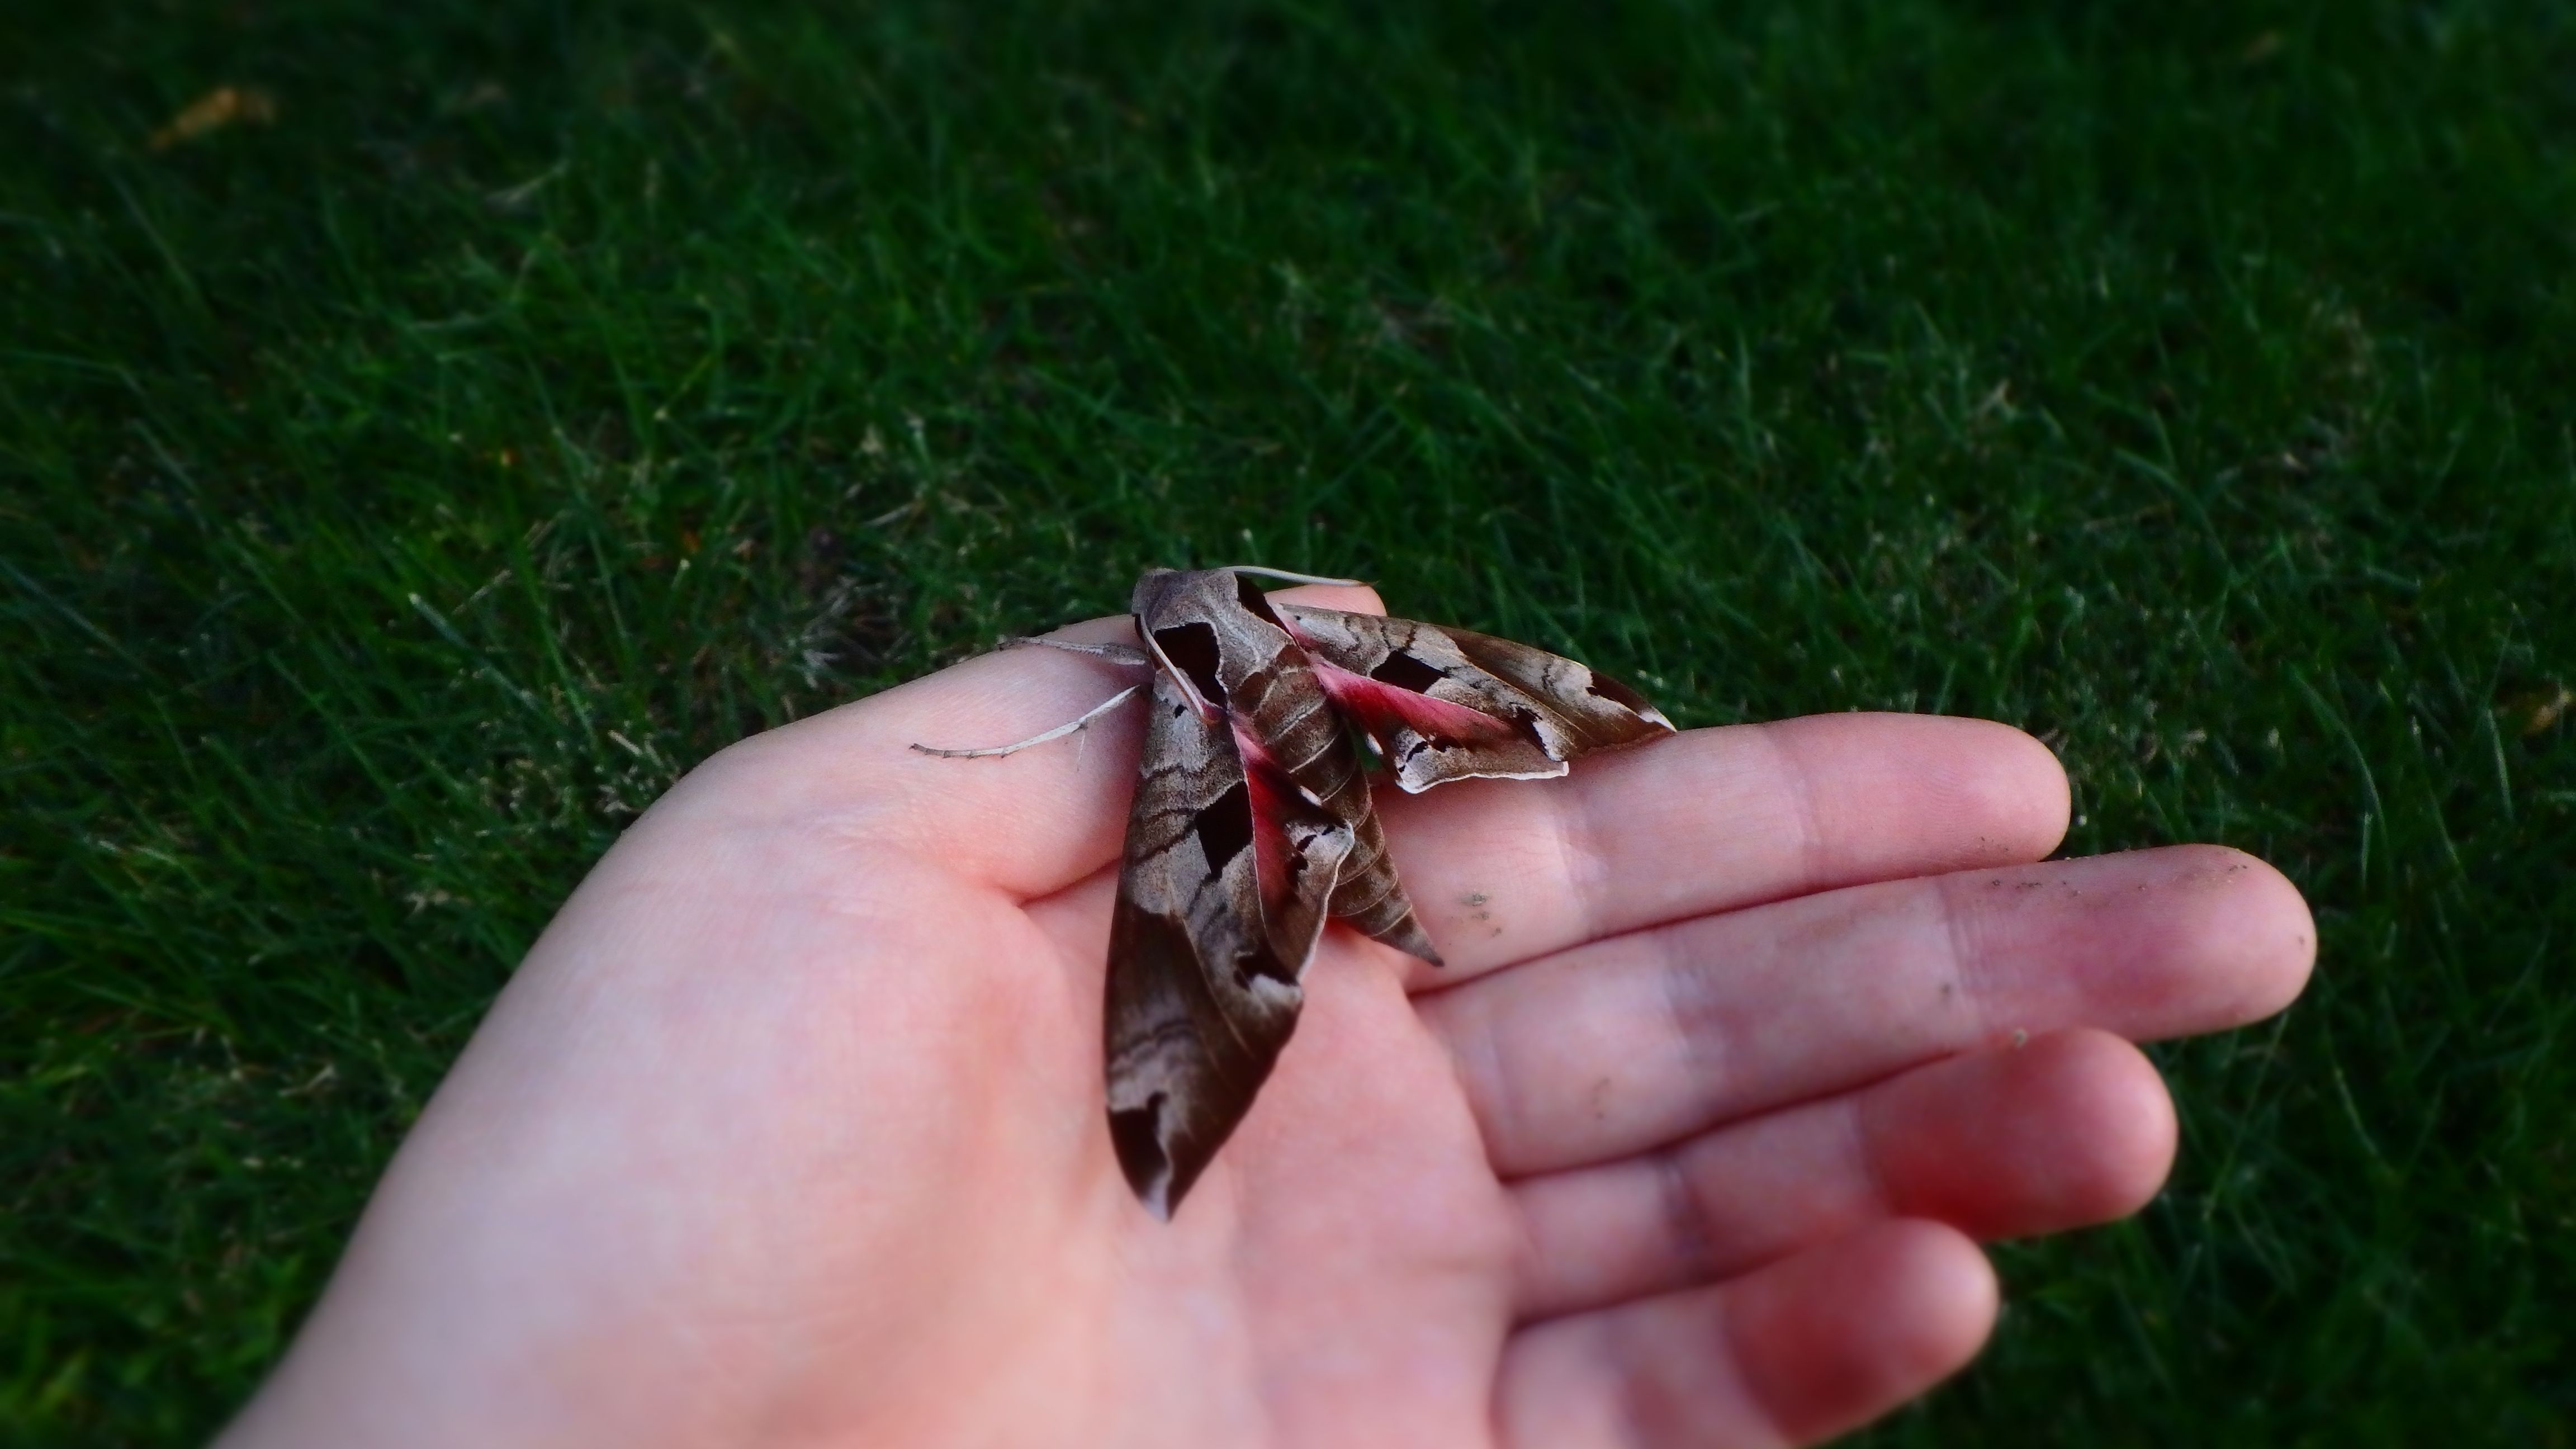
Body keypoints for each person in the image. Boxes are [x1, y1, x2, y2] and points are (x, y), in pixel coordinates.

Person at [215, 582, 2314, 1448]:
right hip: (1315, 790)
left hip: (1291, 800)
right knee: (1319, 836)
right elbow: (1243, 686)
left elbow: (1222, 704)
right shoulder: (1213, 685)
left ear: (1157, 654)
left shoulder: (1192, 716)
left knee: (1298, 851)